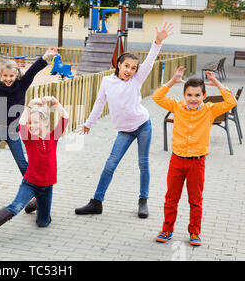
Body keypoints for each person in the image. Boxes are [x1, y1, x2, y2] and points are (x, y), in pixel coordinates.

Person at [74, 22, 174, 218]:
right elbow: (98, 104)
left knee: (143, 163)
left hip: (143, 125)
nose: (129, 70)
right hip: (124, 131)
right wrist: (88, 124)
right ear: (119, 65)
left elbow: (150, 61)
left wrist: (158, 42)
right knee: (110, 164)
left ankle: (143, 201)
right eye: (126, 66)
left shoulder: (137, 79)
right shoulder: (106, 82)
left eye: (133, 68)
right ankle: (96, 202)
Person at [153, 67, 237, 246]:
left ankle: (195, 232)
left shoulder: (210, 110)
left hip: (196, 163)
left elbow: (231, 101)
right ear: (184, 95)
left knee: (196, 201)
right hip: (176, 161)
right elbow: (157, 97)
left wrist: (216, 83)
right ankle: (167, 229)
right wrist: (173, 81)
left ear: (204, 96)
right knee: (171, 198)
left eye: (197, 95)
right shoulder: (177, 106)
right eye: (189, 95)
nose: (193, 99)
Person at [0, 96, 69, 249]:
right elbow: (21, 124)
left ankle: (37, 202)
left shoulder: (53, 137)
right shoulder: (29, 139)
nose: (32, 125)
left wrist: (55, 102)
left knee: (43, 223)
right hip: (30, 183)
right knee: (15, 207)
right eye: (31, 123)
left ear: (46, 123)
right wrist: (29, 107)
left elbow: (65, 117)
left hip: (47, 186)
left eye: (36, 122)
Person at [0, 46, 58, 192]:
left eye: (11, 76)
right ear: (1, 75)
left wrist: (46, 56)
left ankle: (32, 187)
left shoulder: (22, 85)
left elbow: (33, 70)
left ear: (16, 75)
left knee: (21, 161)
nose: (8, 79)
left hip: (13, 131)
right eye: (5, 76)